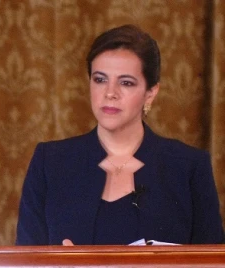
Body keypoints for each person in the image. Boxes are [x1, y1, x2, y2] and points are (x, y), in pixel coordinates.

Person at [16, 24, 224, 246]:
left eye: (126, 83)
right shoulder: (50, 162)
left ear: (150, 93)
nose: (110, 93)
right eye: (100, 79)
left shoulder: (188, 167)